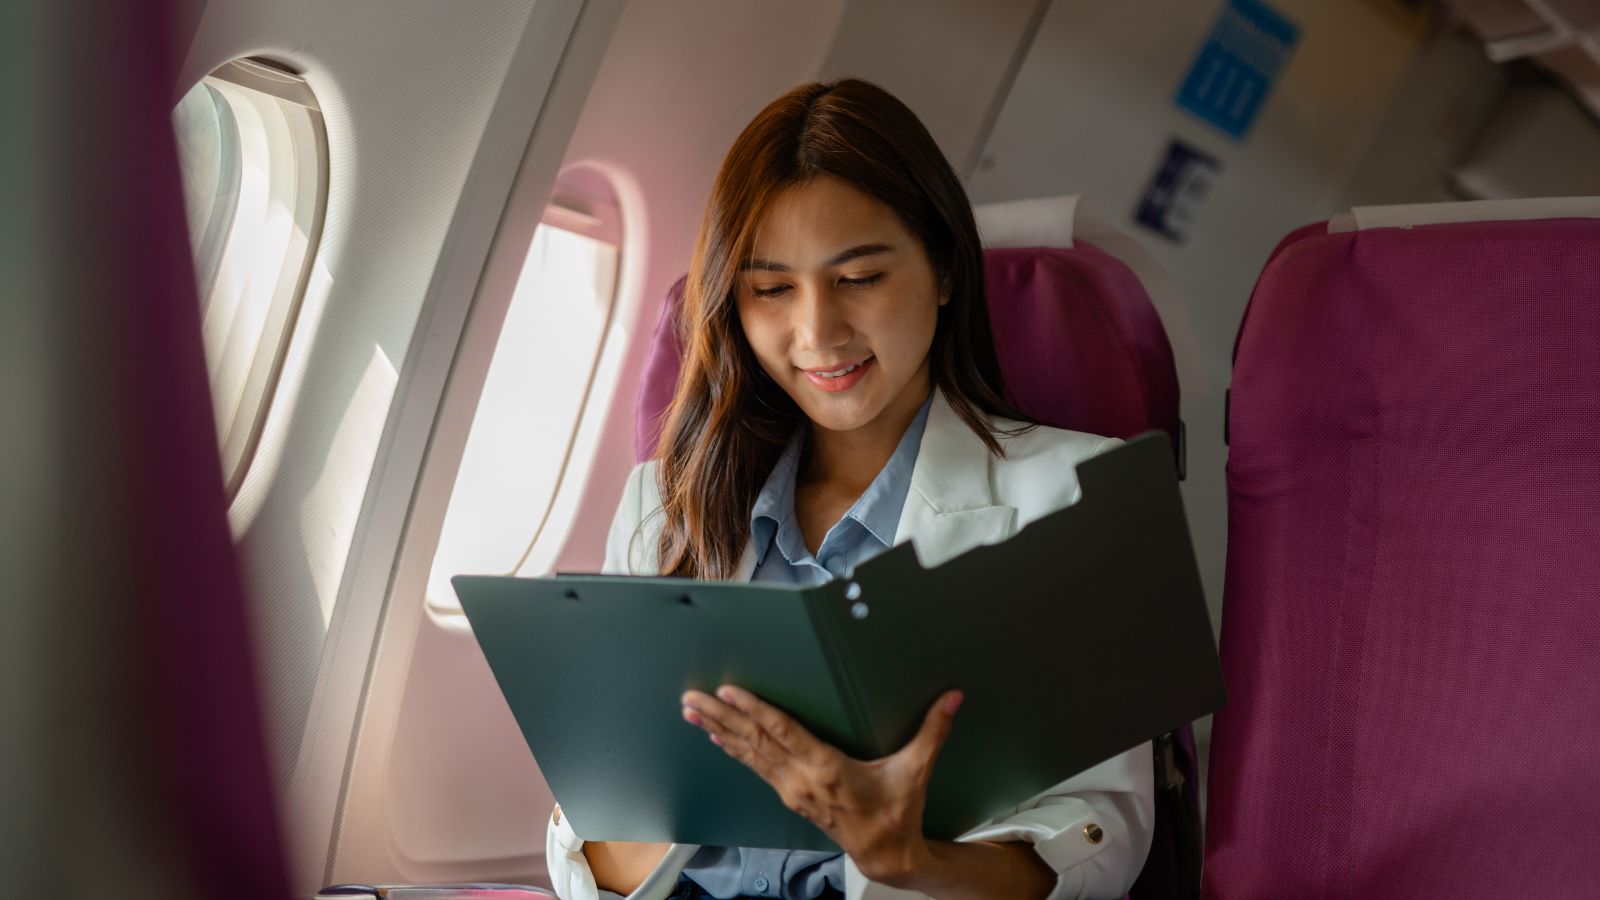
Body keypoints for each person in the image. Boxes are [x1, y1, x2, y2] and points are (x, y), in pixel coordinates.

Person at [545, 79, 1153, 900]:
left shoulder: (1070, 494)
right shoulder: (662, 505)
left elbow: (1101, 836)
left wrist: (910, 858)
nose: (817, 333)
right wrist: (689, 784)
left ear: (943, 268)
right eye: (771, 290)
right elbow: (587, 842)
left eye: (859, 277)